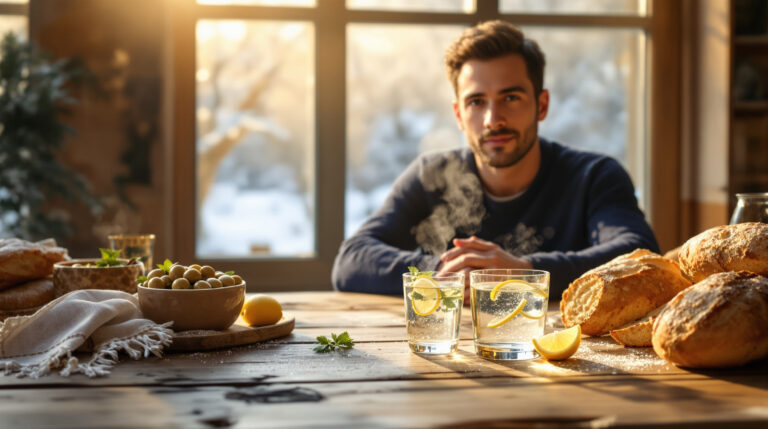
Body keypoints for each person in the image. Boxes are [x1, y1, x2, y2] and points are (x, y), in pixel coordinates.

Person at [332, 20, 659, 299]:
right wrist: (445, 271)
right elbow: (351, 260)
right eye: (476, 101)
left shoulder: (594, 176)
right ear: (459, 115)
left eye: (511, 97)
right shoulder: (431, 175)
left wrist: (525, 272)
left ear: (541, 105)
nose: (493, 119)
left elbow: (639, 254)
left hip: (563, 362)